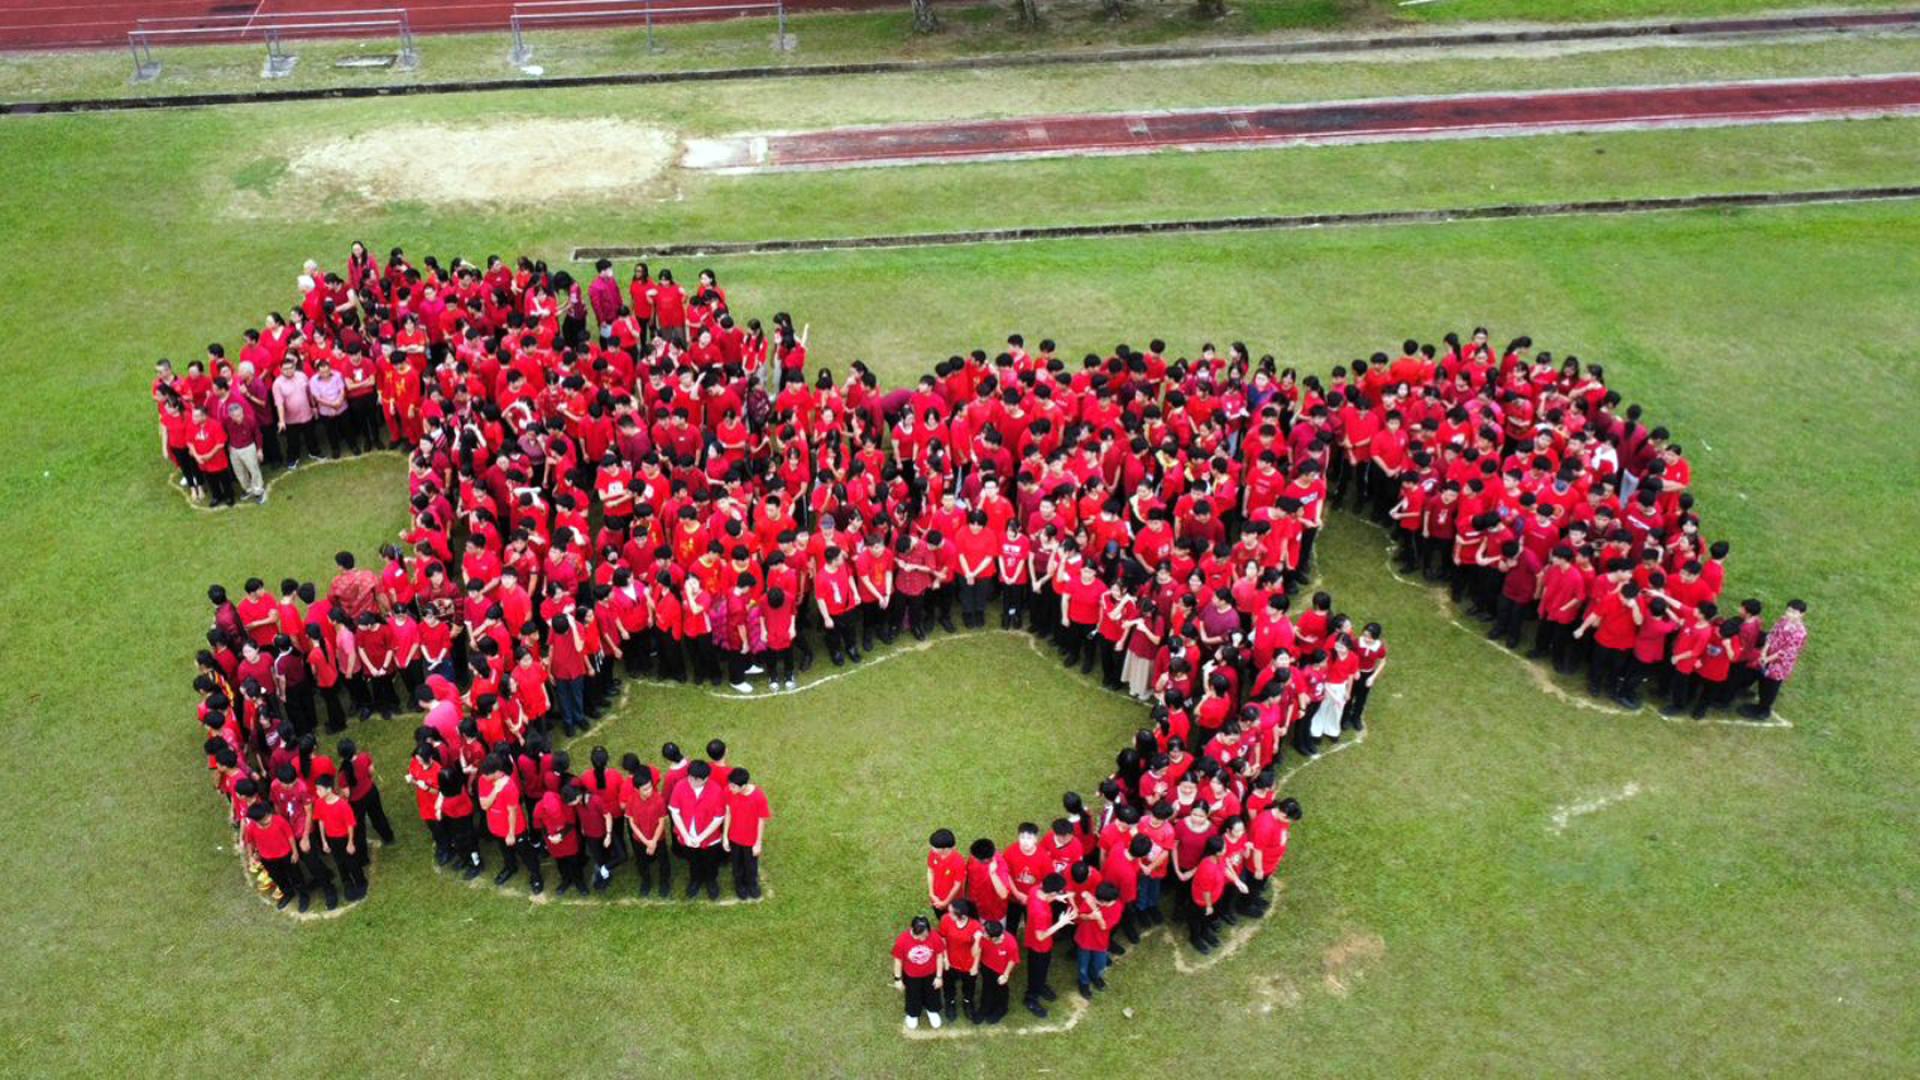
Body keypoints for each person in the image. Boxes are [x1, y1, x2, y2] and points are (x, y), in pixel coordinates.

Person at [668, 760, 727, 900]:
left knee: (711, 862)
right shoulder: (680, 786)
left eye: (697, 780)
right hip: (687, 838)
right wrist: (686, 836)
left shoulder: (716, 790)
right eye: (690, 777)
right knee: (693, 862)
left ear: (706, 778)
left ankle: (711, 882)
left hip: (710, 839)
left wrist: (701, 838)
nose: (692, 782)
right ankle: (695, 880)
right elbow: (675, 812)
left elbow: (718, 818)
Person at [1741, 599, 1807, 721]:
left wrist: (1767, 658)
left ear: (1801, 615)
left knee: (1770, 686)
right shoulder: (1783, 621)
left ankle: (1763, 710)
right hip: (1767, 657)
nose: (1789, 614)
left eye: (1793, 612)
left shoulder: (1799, 633)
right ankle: (1758, 703)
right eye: (1788, 610)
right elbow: (1772, 635)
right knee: (1762, 679)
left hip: (1779, 665)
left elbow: (1786, 652)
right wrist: (1764, 651)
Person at [892, 915, 946, 1031]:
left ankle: (932, 1010)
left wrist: (939, 976)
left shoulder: (934, 937)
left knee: (932, 993)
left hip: (930, 974)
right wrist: (898, 979)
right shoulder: (902, 940)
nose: (923, 939)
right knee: (913, 995)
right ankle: (913, 1014)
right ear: (913, 930)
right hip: (911, 976)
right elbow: (898, 960)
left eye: (925, 935)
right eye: (920, 936)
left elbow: (939, 956)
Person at [724, 767, 771, 900]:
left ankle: (752, 884)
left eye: (733, 786)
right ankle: (739, 885)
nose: (730, 788)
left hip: (750, 840)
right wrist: (725, 837)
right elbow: (728, 813)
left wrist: (758, 843)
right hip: (734, 838)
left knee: (751, 865)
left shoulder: (759, 797)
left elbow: (761, 820)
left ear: (743, 786)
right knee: (736, 865)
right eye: (730, 784)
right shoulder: (729, 791)